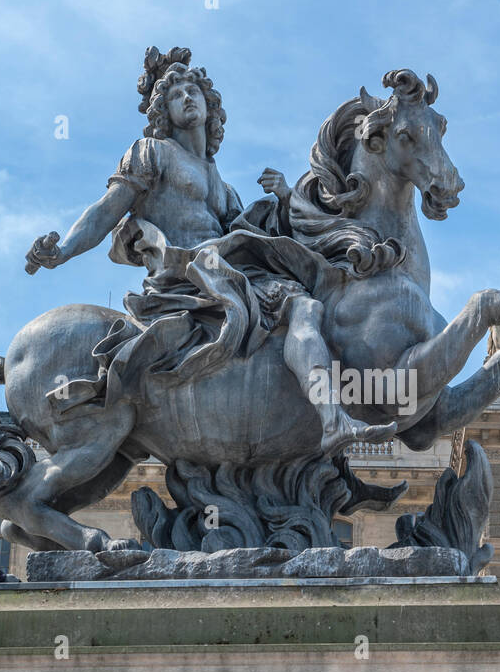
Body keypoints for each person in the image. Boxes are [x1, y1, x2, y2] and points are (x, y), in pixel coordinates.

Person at [26, 48, 394, 456]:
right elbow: (105, 211)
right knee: (301, 306)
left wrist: (287, 196)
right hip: (186, 274)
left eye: (194, 90)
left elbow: (252, 234)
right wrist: (62, 251)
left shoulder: (223, 184)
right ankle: (332, 418)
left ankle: (329, 418)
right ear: (163, 112)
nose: (187, 97)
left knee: (309, 305)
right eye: (175, 94)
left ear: (210, 105)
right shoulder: (151, 152)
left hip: (226, 267)